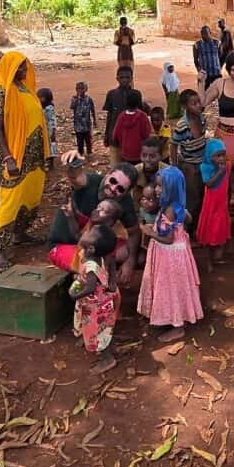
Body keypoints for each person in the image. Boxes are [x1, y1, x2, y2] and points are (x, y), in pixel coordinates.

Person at [0, 51, 50, 271]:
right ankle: (0, 252)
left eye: (25, 66)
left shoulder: (24, 89)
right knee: (10, 202)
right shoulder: (1, 94)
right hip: (15, 157)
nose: (25, 70)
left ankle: (21, 234)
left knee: (31, 196)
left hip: (34, 157)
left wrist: (46, 153)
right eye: (20, 67)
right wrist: (8, 157)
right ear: (10, 68)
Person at [48, 157, 140, 285]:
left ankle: (103, 271)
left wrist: (130, 261)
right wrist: (74, 164)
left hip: (92, 244)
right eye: (113, 181)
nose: (113, 188)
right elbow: (77, 179)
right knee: (92, 265)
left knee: (138, 255)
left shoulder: (125, 202)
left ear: (126, 193)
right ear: (107, 174)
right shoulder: (90, 182)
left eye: (120, 189)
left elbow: (134, 232)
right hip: (64, 245)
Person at [137, 167, 203, 344]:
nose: (157, 190)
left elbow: (167, 239)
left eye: (161, 187)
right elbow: (187, 219)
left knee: (170, 289)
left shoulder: (169, 210)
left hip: (169, 256)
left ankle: (177, 326)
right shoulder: (178, 205)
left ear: (171, 189)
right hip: (179, 254)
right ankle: (177, 320)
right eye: (157, 186)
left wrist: (149, 232)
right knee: (178, 288)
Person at [203, 51, 234, 237]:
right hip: (224, 139)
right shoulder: (220, 84)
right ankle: (221, 223)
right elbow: (202, 103)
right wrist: (201, 82)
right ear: (227, 70)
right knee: (224, 180)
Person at [69, 223, 120, 374]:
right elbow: (111, 263)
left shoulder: (91, 265)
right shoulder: (101, 255)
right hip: (103, 299)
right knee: (102, 328)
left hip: (95, 304)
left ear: (91, 248)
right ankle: (107, 345)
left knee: (97, 331)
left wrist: (75, 295)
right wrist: (112, 282)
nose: (86, 231)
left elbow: (90, 287)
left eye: (89, 233)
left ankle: (107, 359)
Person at [170, 89, 208, 224]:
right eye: (194, 103)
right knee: (192, 198)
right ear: (185, 107)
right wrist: (174, 166)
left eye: (199, 102)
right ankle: (188, 228)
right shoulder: (182, 125)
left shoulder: (202, 118)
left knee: (203, 194)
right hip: (189, 165)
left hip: (203, 163)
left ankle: (200, 226)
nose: (199, 105)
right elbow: (173, 145)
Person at [196, 139, 231, 268]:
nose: (221, 158)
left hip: (222, 202)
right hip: (211, 203)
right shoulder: (205, 167)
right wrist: (220, 172)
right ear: (209, 155)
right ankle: (209, 254)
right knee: (211, 224)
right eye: (217, 155)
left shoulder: (227, 165)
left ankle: (218, 252)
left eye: (223, 154)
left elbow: (229, 181)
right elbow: (209, 184)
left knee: (221, 224)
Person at [102, 66, 134, 165]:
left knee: (130, 168)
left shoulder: (135, 95)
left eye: (127, 77)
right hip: (114, 137)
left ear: (131, 78)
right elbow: (110, 116)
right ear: (117, 78)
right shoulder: (111, 94)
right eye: (122, 77)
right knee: (116, 168)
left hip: (131, 138)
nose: (125, 80)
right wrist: (107, 135)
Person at [112, 89, 152, 165]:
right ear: (139, 103)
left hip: (125, 153)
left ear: (126, 102)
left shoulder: (121, 116)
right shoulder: (142, 116)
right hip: (140, 152)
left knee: (128, 174)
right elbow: (147, 134)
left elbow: (115, 135)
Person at [134, 137, 167, 205]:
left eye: (152, 156)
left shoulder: (167, 172)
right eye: (144, 155)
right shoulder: (135, 171)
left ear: (161, 156)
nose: (147, 159)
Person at [70, 81, 97, 157]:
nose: (80, 90)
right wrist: (77, 99)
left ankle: (89, 151)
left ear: (86, 89)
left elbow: (92, 109)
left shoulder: (89, 99)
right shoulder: (74, 98)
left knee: (88, 139)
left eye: (82, 88)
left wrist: (94, 120)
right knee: (79, 140)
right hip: (78, 124)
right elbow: (72, 106)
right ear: (76, 89)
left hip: (87, 124)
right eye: (79, 89)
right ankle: (80, 152)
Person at [37, 88, 58, 168]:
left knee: (50, 145)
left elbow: (52, 120)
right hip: (44, 129)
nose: (39, 99)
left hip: (49, 130)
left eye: (40, 97)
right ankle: (47, 160)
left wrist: (53, 131)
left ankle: (51, 162)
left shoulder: (49, 108)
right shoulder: (42, 107)